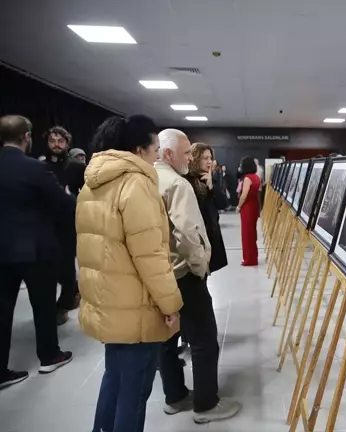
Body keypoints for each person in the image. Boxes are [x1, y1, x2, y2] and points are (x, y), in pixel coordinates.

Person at [75, 115, 183, 432]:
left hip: (109, 304)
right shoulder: (136, 184)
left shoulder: (93, 182)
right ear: (138, 149)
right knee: (134, 394)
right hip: (135, 308)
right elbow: (150, 255)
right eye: (154, 150)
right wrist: (170, 305)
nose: (156, 157)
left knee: (115, 380)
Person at [155, 129, 240, 424]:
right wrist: (200, 267)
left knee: (167, 338)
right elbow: (189, 234)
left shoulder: (147, 179)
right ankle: (206, 405)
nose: (192, 159)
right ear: (168, 154)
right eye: (188, 153)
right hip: (183, 274)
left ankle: (175, 396)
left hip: (159, 274)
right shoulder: (177, 184)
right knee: (204, 340)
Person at [0, 115, 75, 390]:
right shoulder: (35, 169)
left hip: (2, 251)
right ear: (27, 137)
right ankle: (49, 356)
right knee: (43, 305)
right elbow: (63, 205)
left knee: (2, 310)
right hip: (37, 249)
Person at [42, 126, 85, 325]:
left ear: (67, 143)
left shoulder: (76, 167)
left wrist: (72, 199)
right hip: (44, 224)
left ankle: (65, 301)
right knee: (49, 270)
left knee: (67, 269)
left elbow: (86, 193)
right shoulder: (39, 166)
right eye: (52, 141)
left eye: (60, 141)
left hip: (68, 224)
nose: (56, 145)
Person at [186, 143, 228, 273]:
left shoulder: (208, 178)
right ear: (196, 158)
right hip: (196, 237)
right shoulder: (187, 180)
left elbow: (223, 204)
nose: (209, 161)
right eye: (205, 158)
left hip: (210, 233)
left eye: (210, 158)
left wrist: (211, 187)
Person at [236, 156, 261, 266]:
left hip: (247, 207)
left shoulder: (247, 178)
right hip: (255, 205)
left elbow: (244, 195)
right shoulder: (256, 177)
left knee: (246, 234)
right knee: (252, 232)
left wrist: (238, 206)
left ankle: (249, 259)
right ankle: (253, 257)